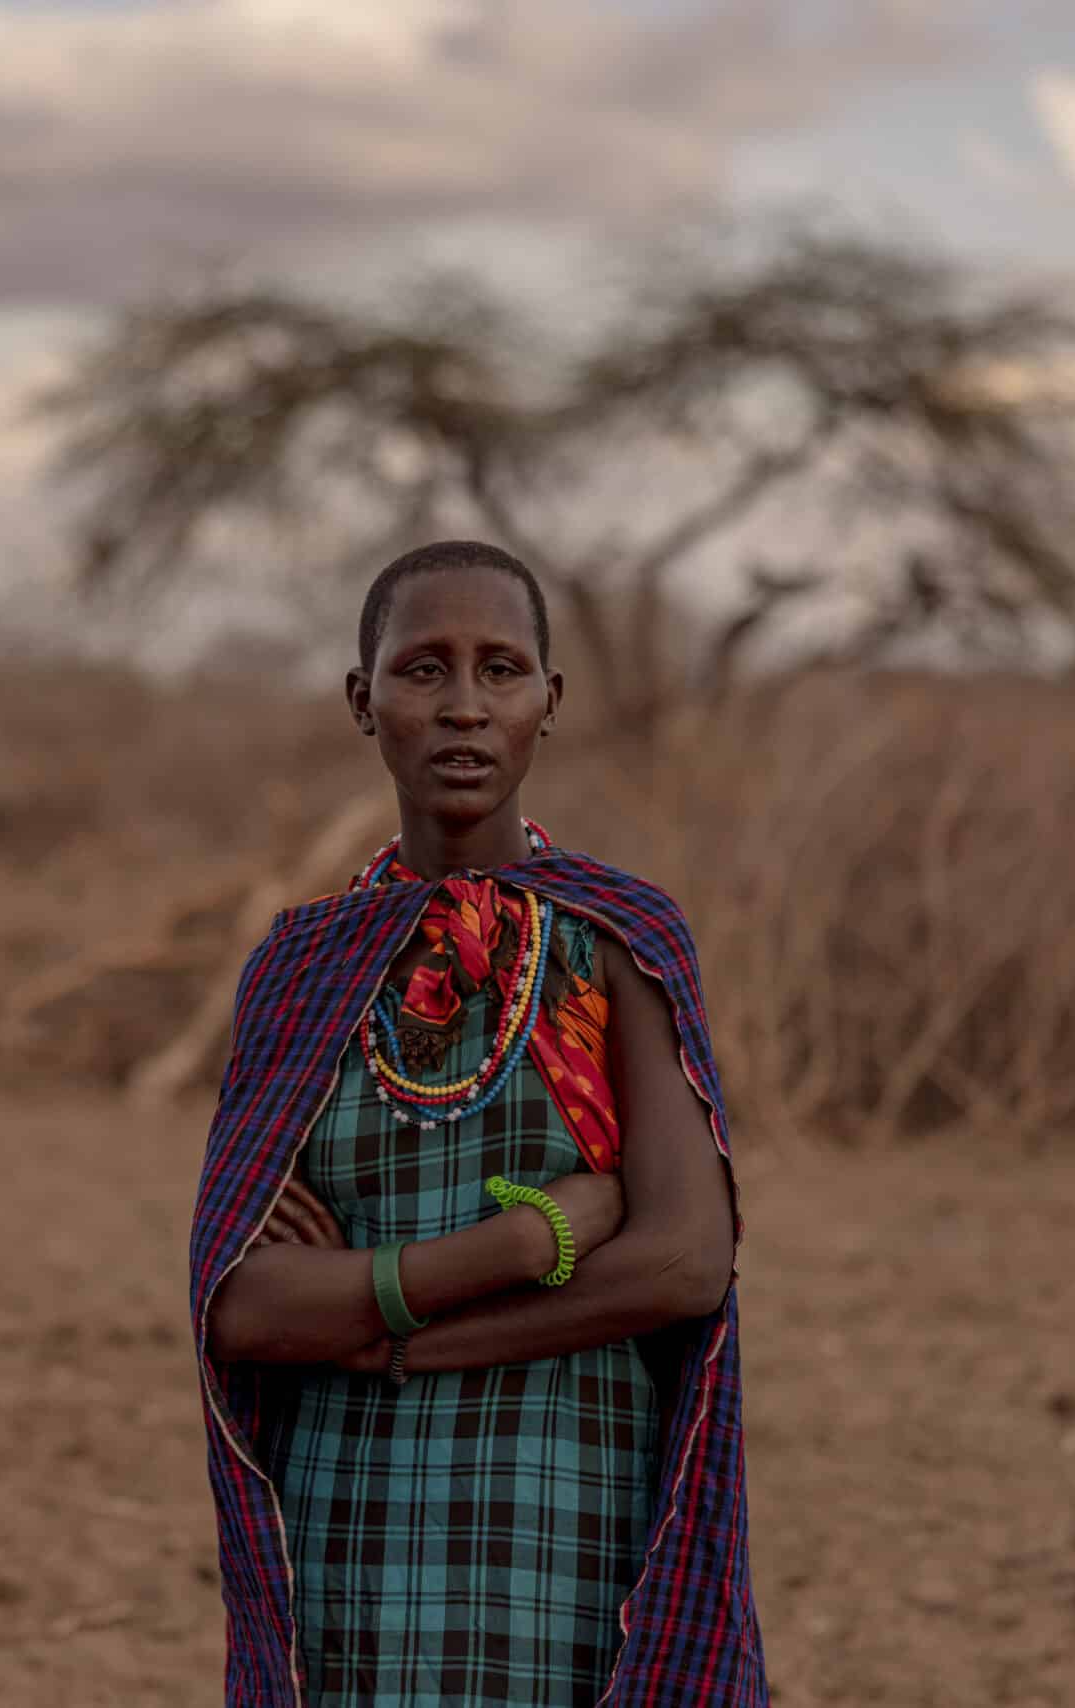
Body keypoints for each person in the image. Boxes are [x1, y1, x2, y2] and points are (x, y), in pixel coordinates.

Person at [191, 541, 766, 1706]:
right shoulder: (300, 968)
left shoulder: (619, 943)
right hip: (349, 1541)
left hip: (561, 1534)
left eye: (501, 669)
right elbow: (240, 1304)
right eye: (421, 670)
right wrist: (516, 1246)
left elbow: (684, 1260)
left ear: (550, 702)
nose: (462, 704)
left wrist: (386, 1330)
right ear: (364, 701)